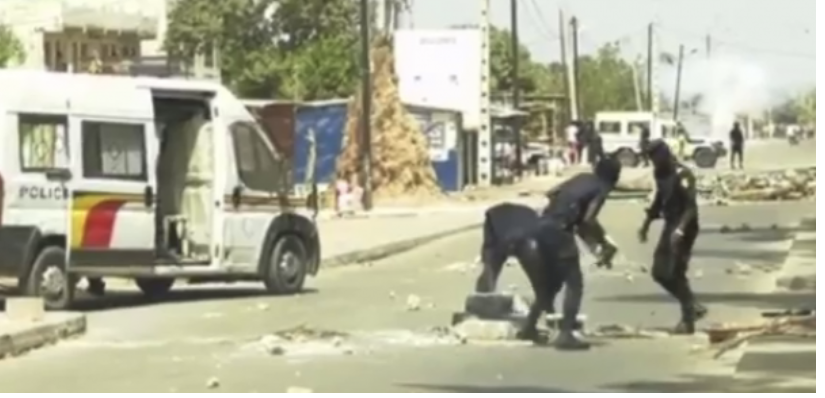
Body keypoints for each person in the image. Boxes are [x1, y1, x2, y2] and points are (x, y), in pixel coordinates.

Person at [475, 157, 623, 350]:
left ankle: (529, 327)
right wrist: (602, 242)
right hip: (559, 231)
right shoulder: (601, 187)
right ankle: (566, 334)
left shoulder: (581, 178)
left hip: (541, 225)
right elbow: (588, 220)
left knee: (550, 284)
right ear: (615, 176)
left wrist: (575, 220)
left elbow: (552, 193)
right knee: (574, 283)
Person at [637, 140, 707, 334]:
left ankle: (688, 319)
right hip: (670, 224)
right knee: (659, 273)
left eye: (655, 157)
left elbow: (691, 207)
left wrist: (680, 231)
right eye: (651, 158)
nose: (653, 161)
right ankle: (693, 306)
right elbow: (660, 199)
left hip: (686, 226)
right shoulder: (659, 173)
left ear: (665, 153)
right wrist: (646, 224)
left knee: (675, 271)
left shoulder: (682, 174)